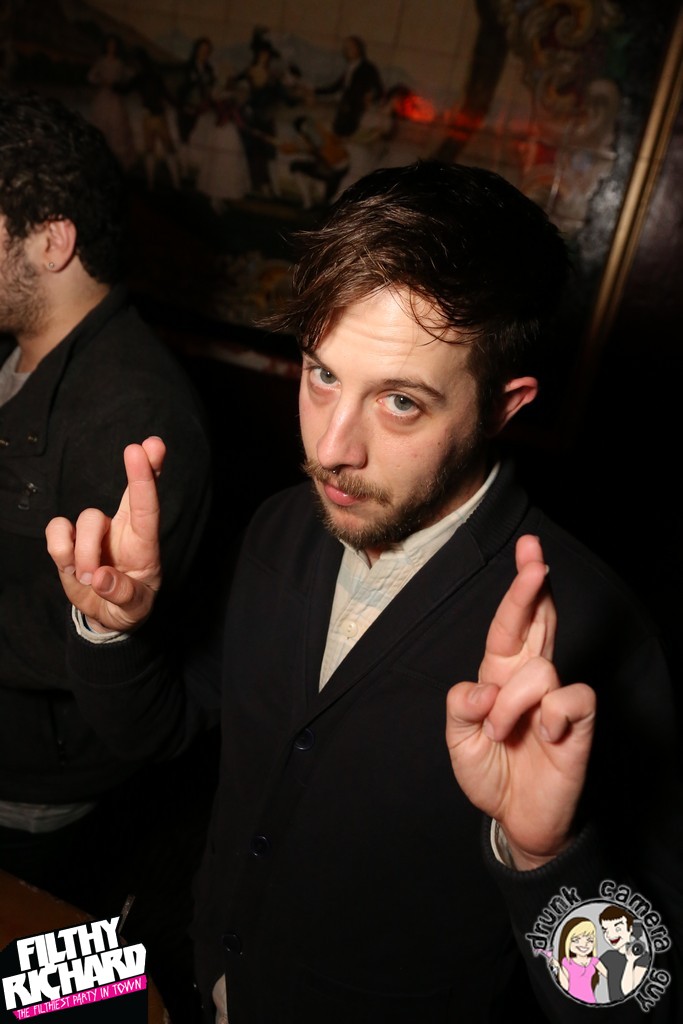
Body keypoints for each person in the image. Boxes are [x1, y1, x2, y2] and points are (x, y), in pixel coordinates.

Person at [45, 160, 682, 1023]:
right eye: (322, 374)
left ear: (504, 406)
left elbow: (642, 1005)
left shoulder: (595, 627)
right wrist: (113, 628)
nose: (332, 449)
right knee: (18, 989)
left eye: (401, 403)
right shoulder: (281, 525)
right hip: (183, 963)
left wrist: (547, 861)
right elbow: (154, 730)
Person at [0, 91, 214, 1021]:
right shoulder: (21, 357)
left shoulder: (132, 409)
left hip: (47, 800)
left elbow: (86, 630)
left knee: (47, 991)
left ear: (51, 241)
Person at [315, 35, 384, 137]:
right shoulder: (350, 67)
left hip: (356, 108)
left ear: (359, 49)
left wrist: (370, 98)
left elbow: (379, 89)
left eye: (350, 48)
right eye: (346, 48)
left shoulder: (368, 68)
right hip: (344, 106)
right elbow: (336, 87)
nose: (347, 51)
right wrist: (315, 91)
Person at [599, 906, 652, 1002]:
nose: (610, 935)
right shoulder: (608, 956)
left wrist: (630, 961)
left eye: (618, 929)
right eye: (605, 930)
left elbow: (628, 992)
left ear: (630, 928)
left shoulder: (643, 957)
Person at [552, 917, 607, 1003]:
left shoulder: (594, 961)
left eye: (590, 940)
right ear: (567, 941)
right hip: (571, 1001)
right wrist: (558, 967)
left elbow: (610, 976)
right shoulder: (567, 962)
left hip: (591, 1001)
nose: (584, 944)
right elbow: (565, 987)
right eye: (576, 940)